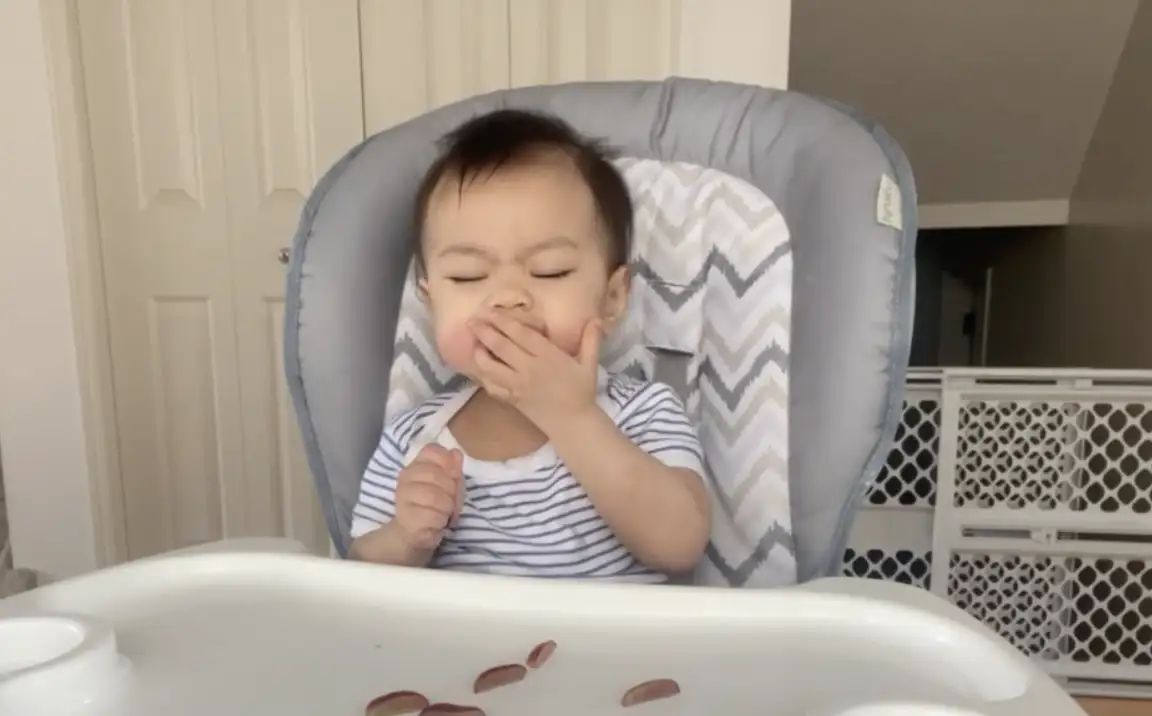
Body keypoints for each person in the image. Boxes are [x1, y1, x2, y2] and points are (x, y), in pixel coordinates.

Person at [348, 108, 710, 582]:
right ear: (432, 303)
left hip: (611, 652)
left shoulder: (642, 412)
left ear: (612, 298)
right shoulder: (413, 440)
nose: (508, 298)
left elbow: (681, 545)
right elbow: (356, 576)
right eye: (468, 276)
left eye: (550, 270)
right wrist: (404, 537)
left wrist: (572, 417)